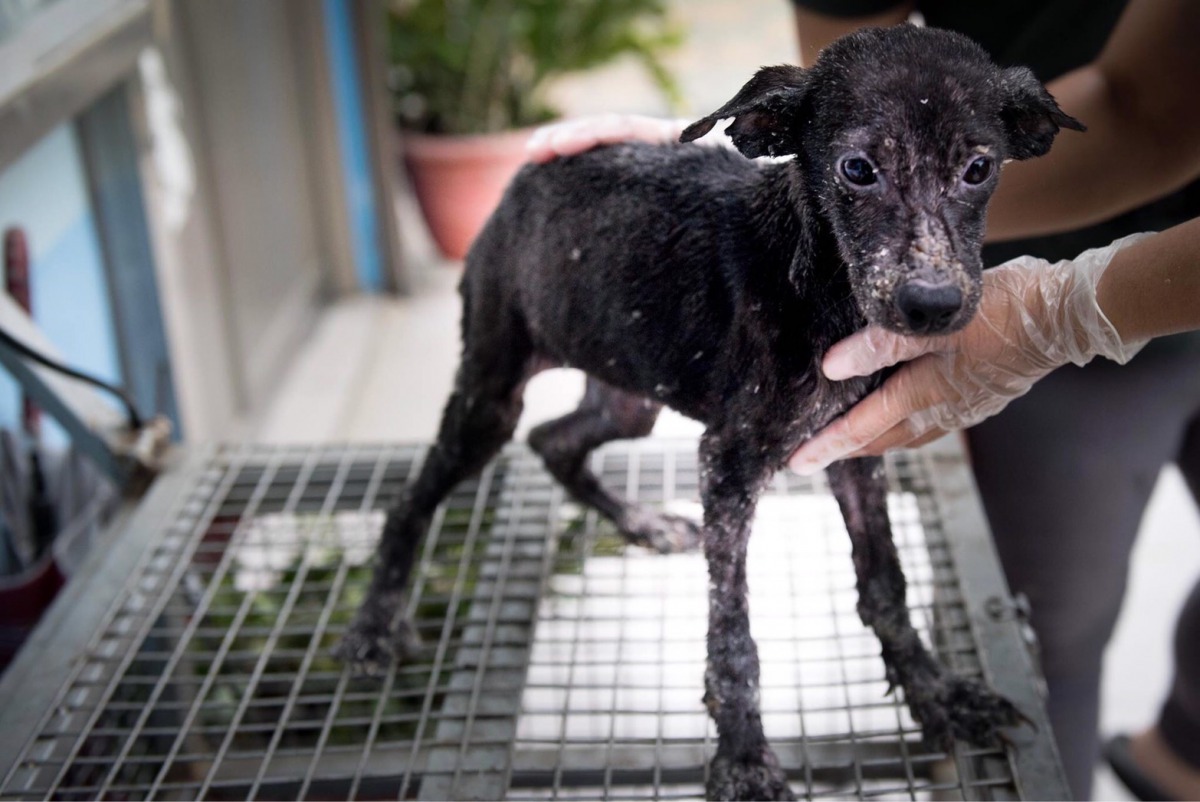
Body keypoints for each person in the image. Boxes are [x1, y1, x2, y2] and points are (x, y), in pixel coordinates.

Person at [526, 0, 1200, 798]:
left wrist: (1075, 309)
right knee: (1047, 634)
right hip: (1061, 298)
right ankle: (1178, 755)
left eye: (980, 166)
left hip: (1085, 277)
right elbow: (1142, 109)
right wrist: (772, 172)